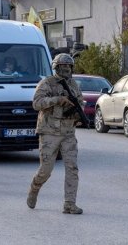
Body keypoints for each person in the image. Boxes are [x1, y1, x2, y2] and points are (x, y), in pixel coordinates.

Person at [28, 53, 85, 214]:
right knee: (46, 169)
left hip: (68, 132)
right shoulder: (47, 83)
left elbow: (80, 102)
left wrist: (78, 115)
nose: (66, 69)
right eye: (63, 66)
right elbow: (36, 103)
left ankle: (69, 203)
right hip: (49, 132)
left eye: (69, 66)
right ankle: (34, 187)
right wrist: (56, 100)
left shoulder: (73, 84)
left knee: (72, 168)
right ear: (56, 67)